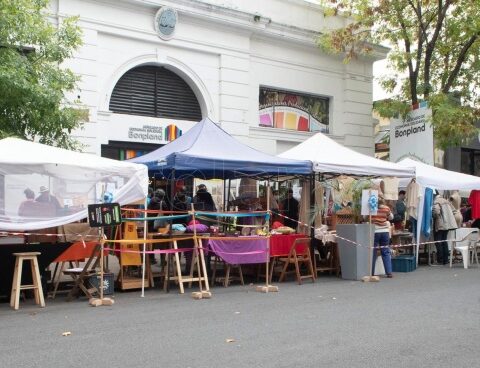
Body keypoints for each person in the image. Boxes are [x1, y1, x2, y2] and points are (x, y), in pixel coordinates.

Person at [432, 191, 458, 265]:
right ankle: (446, 259)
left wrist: (434, 216)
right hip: (447, 225)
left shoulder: (436, 201)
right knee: (444, 241)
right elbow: (454, 211)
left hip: (440, 224)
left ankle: (440, 259)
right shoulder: (446, 201)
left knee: (438, 241)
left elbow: (436, 212)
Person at [371, 198, 393, 278]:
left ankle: (371, 272)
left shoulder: (372, 207)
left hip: (375, 231)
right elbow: (391, 217)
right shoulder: (386, 208)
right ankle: (389, 272)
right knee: (385, 251)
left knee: (373, 252)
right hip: (385, 232)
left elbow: (365, 218)